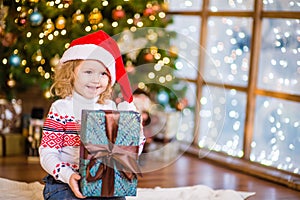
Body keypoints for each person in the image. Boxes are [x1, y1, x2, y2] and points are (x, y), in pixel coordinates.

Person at [39, 30, 145, 200]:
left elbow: (127, 154)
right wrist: (67, 175)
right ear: (71, 73)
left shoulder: (111, 108)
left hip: (103, 179)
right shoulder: (61, 109)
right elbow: (48, 153)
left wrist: (136, 135)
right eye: (88, 72)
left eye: (103, 73)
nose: (96, 80)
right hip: (65, 182)